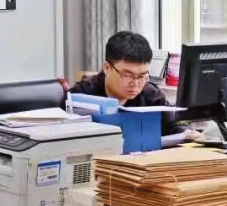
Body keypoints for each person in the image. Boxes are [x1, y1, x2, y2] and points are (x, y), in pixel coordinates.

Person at [69, 31, 198, 138]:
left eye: (142, 76)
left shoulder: (151, 96)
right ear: (107, 68)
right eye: (127, 75)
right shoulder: (81, 96)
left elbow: (174, 128)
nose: (135, 83)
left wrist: (189, 134)